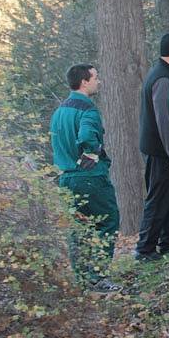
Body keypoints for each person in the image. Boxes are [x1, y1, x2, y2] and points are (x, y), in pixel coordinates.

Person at [50, 64, 121, 293]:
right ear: (84, 82)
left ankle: (81, 280)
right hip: (89, 177)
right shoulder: (88, 109)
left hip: (66, 179)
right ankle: (98, 278)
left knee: (78, 228)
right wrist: (92, 156)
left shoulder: (59, 112)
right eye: (95, 77)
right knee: (108, 221)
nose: (98, 81)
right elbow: (88, 137)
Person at [135, 33, 169, 261]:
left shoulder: (163, 73)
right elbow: (163, 120)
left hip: (162, 150)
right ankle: (145, 249)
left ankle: (168, 241)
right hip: (161, 151)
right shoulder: (163, 79)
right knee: (157, 199)